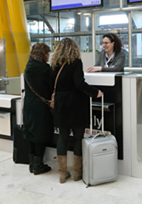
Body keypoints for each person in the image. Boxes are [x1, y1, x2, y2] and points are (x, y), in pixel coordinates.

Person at [51, 38, 102, 184]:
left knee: (63, 136)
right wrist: (95, 92)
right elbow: (79, 83)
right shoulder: (76, 62)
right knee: (78, 137)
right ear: (74, 48)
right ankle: (77, 173)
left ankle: (62, 173)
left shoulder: (54, 64)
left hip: (60, 103)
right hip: (76, 103)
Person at [22, 43, 54, 175]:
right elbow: (52, 86)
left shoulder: (28, 66)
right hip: (41, 106)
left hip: (29, 104)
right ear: (43, 54)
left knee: (31, 133)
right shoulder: (45, 69)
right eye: (47, 53)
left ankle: (31, 163)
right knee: (41, 134)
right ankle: (38, 165)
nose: (48, 56)